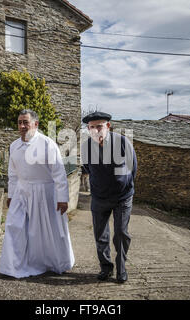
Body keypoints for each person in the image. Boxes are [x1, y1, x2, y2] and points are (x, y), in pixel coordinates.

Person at [0, 109, 74, 279]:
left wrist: (62, 199)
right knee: (14, 226)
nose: (22, 126)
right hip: (21, 192)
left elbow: (59, 174)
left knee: (46, 231)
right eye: (20, 122)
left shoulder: (48, 144)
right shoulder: (14, 146)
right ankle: (13, 265)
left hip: (45, 194)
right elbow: (12, 174)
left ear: (36, 124)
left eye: (26, 122)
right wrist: (11, 195)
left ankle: (53, 262)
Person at [81, 111, 137, 283]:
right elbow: (88, 169)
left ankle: (121, 269)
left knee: (121, 233)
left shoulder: (122, 142)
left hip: (122, 197)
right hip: (99, 198)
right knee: (100, 234)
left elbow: (133, 167)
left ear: (108, 126)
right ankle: (106, 268)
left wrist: (123, 184)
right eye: (92, 127)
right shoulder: (86, 146)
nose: (96, 130)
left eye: (99, 126)